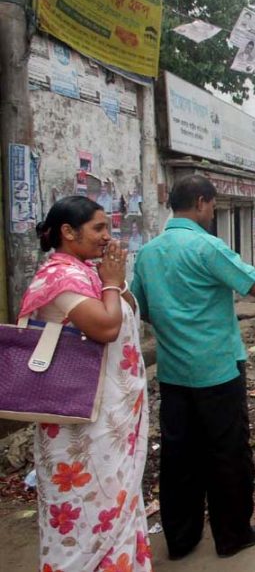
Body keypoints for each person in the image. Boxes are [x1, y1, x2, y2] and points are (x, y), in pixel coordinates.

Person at [132, 175, 255, 559]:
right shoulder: (206, 246)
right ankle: (231, 535)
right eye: (213, 206)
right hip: (217, 370)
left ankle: (181, 541)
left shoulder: (148, 253)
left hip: (172, 372)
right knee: (226, 454)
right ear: (202, 202)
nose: (212, 213)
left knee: (178, 457)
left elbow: (140, 308)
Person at [22, 197, 151, 571]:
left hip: (105, 424)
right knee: (84, 515)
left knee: (115, 505)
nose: (106, 237)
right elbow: (106, 327)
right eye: (98, 228)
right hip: (79, 426)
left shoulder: (87, 272)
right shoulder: (59, 278)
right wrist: (110, 283)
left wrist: (116, 281)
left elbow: (126, 309)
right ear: (68, 232)